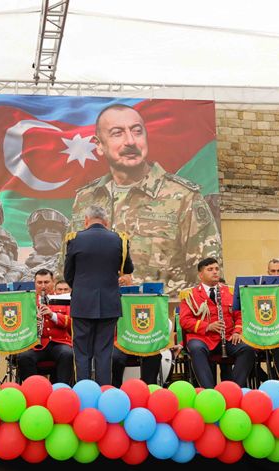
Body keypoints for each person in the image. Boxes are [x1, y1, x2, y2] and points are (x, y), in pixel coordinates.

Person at [68, 103, 221, 295]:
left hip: (161, 308)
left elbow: (207, 270)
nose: (130, 141)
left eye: (137, 131)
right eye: (117, 133)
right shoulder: (86, 199)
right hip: (98, 307)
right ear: (99, 145)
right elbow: (67, 265)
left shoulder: (183, 196)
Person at [63, 205, 133, 385]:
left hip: (82, 304)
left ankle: (83, 391)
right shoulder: (119, 239)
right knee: (104, 353)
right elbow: (127, 269)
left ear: (86, 220)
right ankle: (104, 391)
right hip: (109, 303)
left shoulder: (75, 239)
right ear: (106, 221)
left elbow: (68, 274)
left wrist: (81, 289)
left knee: (82, 352)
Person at [179, 257, 254, 388]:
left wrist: (237, 332)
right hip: (201, 338)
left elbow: (240, 315)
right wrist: (207, 326)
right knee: (196, 349)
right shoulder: (190, 294)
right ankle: (209, 391)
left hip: (227, 337)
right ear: (200, 275)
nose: (215, 272)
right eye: (210, 269)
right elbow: (185, 320)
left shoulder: (230, 292)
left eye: (217, 269)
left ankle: (232, 389)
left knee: (247, 349)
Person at [16, 269, 74, 384]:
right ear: (35, 283)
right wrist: (32, 323)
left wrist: (53, 315)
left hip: (59, 343)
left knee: (67, 354)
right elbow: (18, 326)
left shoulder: (63, 299)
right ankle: (33, 389)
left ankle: (62, 389)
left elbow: (72, 324)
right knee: (24, 357)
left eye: (46, 282)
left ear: (53, 282)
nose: (43, 286)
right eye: (39, 282)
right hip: (35, 344)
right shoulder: (27, 301)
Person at [24, 208, 69, 278]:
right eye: (40, 232)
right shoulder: (22, 269)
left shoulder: (69, 263)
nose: (45, 234)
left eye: (53, 231)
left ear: (63, 237)